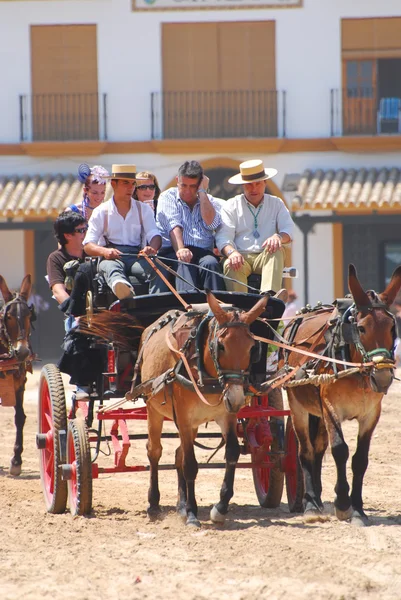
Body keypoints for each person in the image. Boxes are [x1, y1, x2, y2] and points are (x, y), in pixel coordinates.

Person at [215, 159, 295, 294]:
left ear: (265, 183)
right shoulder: (231, 205)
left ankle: (268, 297)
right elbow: (223, 238)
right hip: (240, 256)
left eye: (258, 184)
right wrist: (232, 253)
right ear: (242, 186)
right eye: (249, 185)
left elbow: (288, 231)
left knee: (277, 249)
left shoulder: (276, 203)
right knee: (230, 263)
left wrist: (278, 237)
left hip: (265, 256)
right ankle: (240, 307)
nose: (254, 189)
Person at [83, 164, 161, 299]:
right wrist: (105, 252)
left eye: (133, 184)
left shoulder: (143, 209)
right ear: (114, 184)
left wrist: (152, 248)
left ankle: (156, 307)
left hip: (137, 256)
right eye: (126, 183)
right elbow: (88, 245)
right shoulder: (101, 212)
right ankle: (122, 289)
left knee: (158, 271)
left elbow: (155, 235)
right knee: (111, 268)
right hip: (111, 256)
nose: (130, 188)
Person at [155, 160, 225, 293]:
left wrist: (202, 193)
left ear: (200, 183)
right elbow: (173, 225)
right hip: (174, 251)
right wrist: (181, 249)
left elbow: (212, 223)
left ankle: (217, 307)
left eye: (193, 186)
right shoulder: (167, 196)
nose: (187, 191)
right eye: (184, 185)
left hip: (203, 252)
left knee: (211, 263)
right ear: (177, 180)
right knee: (184, 262)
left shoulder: (209, 200)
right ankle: (190, 307)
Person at [46, 211, 88, 322]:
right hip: (78, 318)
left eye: (86, 229)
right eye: (81, 231)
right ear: (67, 235)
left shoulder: (94, 252)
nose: (86, 233)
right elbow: (58, 291)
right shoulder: (56, 258)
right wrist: (75, 314)